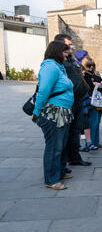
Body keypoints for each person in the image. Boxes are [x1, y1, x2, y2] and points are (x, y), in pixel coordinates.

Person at [32, 41, 74, 190]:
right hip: (53, 114)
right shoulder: (50, 67)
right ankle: (51, 180)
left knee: (61, 146)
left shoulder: (58, 67)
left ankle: (60, 172)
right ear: (56, 51)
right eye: (64, 51)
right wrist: (36, 112)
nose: (67, 54)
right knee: (54, 147)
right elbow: (43, 92)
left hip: (62, 112)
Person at [54, 34, 91, 167]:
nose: (71, 47)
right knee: (65, 134)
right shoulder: (58, 62)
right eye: (69, 45)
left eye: (71, 45)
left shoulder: (71, 60)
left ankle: (75, 158)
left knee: (75, 131)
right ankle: (62, 164)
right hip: (68, 101)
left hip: (78, 100)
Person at [83, 57, 102, 149]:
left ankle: (96, 142)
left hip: (99, 102)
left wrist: (98, 85)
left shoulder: (96, 75)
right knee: (93, 123)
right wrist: (99, 84)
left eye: (93, 65)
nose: (91, 67)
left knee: (97, 122)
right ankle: (90, 143)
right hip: (90, 101)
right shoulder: (84, 75)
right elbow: (88, 87)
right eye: (89, 65)